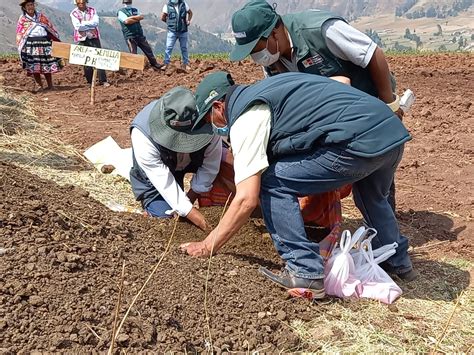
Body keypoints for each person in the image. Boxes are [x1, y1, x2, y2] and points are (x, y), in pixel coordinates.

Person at [180, 71, 417, 299]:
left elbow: (246, 199)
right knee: (372, 197)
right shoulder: (272, 87)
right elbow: (342, 81)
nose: (212, 127)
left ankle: (304, 271)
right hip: (390, 132)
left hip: (356, 144)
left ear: (218, 107)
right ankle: (397, 261)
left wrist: (208, 245)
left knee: (271, 181)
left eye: (209, 120)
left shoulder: (246, 117)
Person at [229, 0, 402, 211]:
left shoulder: (321, 29)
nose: (257, 58)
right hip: (332, 113)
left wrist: (389, 103)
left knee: (374, 167)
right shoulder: (272, 63)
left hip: (365, 98)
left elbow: (373, 54)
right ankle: (324, 209)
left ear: (274, 32)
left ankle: (385, 226)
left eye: (257, 49)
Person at [129, 86, 222, 230]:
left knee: (227, 164)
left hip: (193, 160)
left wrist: (193, 194)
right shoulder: (142, 135)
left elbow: (211, 164)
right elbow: (162, 180)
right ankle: (151, 210)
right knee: (164, 218)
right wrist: (192, 214)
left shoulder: (208, 120)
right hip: (162, 170)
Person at [16, 0, 62, 91]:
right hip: (32, 44)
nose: (30, 7)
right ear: (24, 8)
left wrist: (52, 38)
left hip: (44, 42)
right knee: (35, 65)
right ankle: (39, 85)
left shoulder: (41, 16)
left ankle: (50, 85)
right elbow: (20, 33)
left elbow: (49, 27)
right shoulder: (23, 19)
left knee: (47, 64)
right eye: (28, 5)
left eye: (32, 5)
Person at [70, 0, 109, 87]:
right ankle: (90, 81)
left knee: (99, 58)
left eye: (83, 2)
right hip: (83, 39)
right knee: (86, 60)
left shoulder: (92, 10)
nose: (81, 3)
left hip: (93, 37)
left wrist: (83, 23)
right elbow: (77, 27)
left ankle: (103, 80)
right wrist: (88, 25)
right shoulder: (74, 13)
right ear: (76, 3)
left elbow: (95, 23)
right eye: (79, 2)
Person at [117, 0, 163, 71]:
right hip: (130, 36)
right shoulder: (121, 12)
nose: (128, 4)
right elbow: (126, 21)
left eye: (129, 2)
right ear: (124, 3)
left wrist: (131, 18)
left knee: (148, 49)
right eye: (126, 3)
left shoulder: (135, 10)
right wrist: (136, 18)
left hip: (139, 34)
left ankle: (155, 64)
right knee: (133, 53)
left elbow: (141, 17)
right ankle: (134, 69)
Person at [160, 0, 192, 71]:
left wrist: (188, 20)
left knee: (184, 48)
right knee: (168, 47)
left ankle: (186, 64)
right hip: (172, 31)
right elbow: (162, 17)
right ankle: (166, 63)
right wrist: (169, 23)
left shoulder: (183, 4)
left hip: (183, 30)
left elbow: (190, 13)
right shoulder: (167, 6)